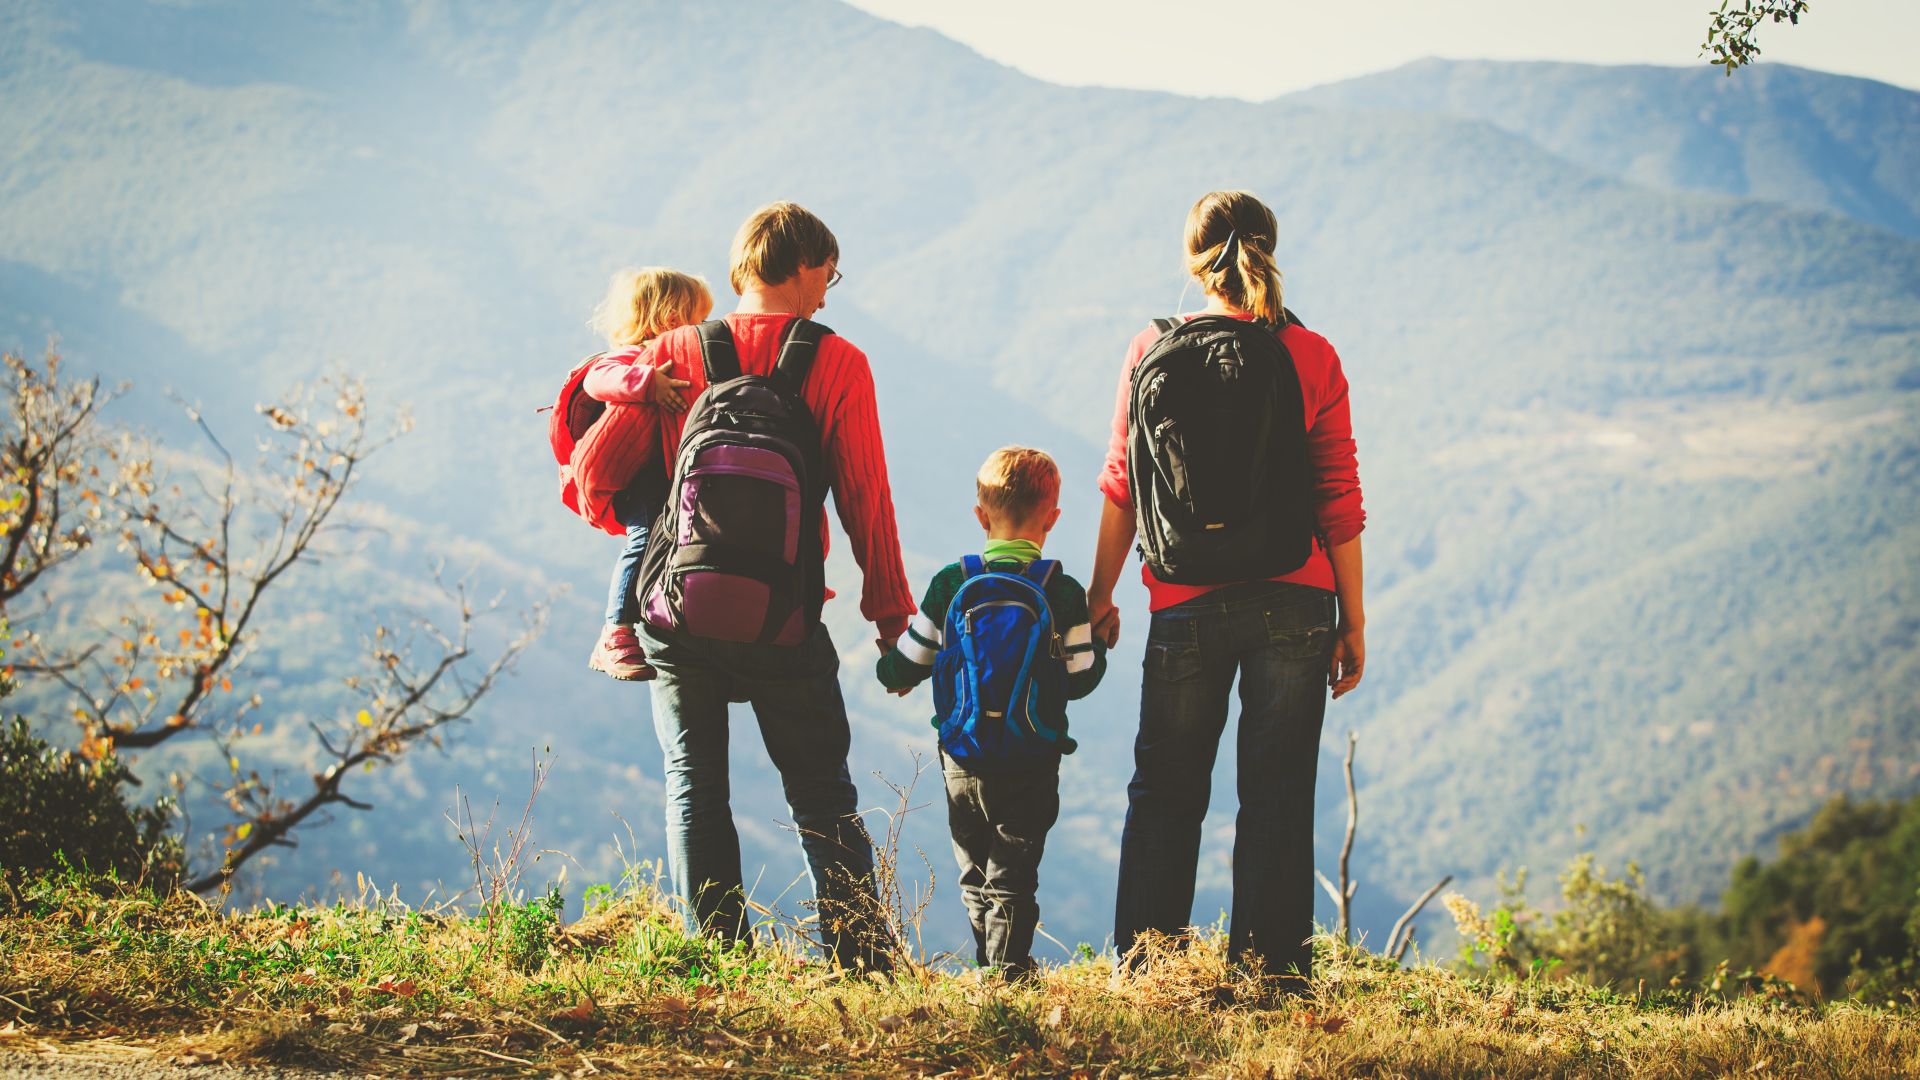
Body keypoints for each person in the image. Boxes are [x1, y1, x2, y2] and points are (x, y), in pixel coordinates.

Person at [572, 202, 914, 972]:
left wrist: (647, 512)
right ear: (800, 266)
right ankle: (862, 962)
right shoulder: (839, 363)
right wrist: (890, 614)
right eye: (828, 271)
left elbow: (592, 472)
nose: (829, 289)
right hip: (784, 618)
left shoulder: (674, 353)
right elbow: (867, 499)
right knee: (822, 793)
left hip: (678, 614)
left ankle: (722, 963)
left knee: (695, 785)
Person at [1087, 189, 1368, 989]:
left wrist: (1101, 595)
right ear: (1270, 250)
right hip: (1296, 598)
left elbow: (1121, 484)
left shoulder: (1150, 347)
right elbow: (1337, 494)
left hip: (1183, 600)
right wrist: (1353, 618)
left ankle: (1146, 973)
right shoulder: (1310, 353)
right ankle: (1272, 979)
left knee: (1166, 790)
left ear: (1192, 260)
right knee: (1277, 793)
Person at [875, 446, 1106, 977]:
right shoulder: (1063, 592)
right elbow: (1080, 681)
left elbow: (906, 666)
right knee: (1014, 876)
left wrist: (891, 674)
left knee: (975, 871)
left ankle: (992, 967)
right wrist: (1102, 643)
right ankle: (1008, 976)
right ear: (1052, 518)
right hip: (1033, 756)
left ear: (980, 516)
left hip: (963, 756)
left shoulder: (949, 584)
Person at [573, 267, 709, 682]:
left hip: (667, 472)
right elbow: (598, 380)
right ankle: (615, 632)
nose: (702, 330)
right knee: (644, 538)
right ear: (670, 318)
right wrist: (648, 382)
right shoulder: (630, 356)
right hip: (641, 477)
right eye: (697, 320)